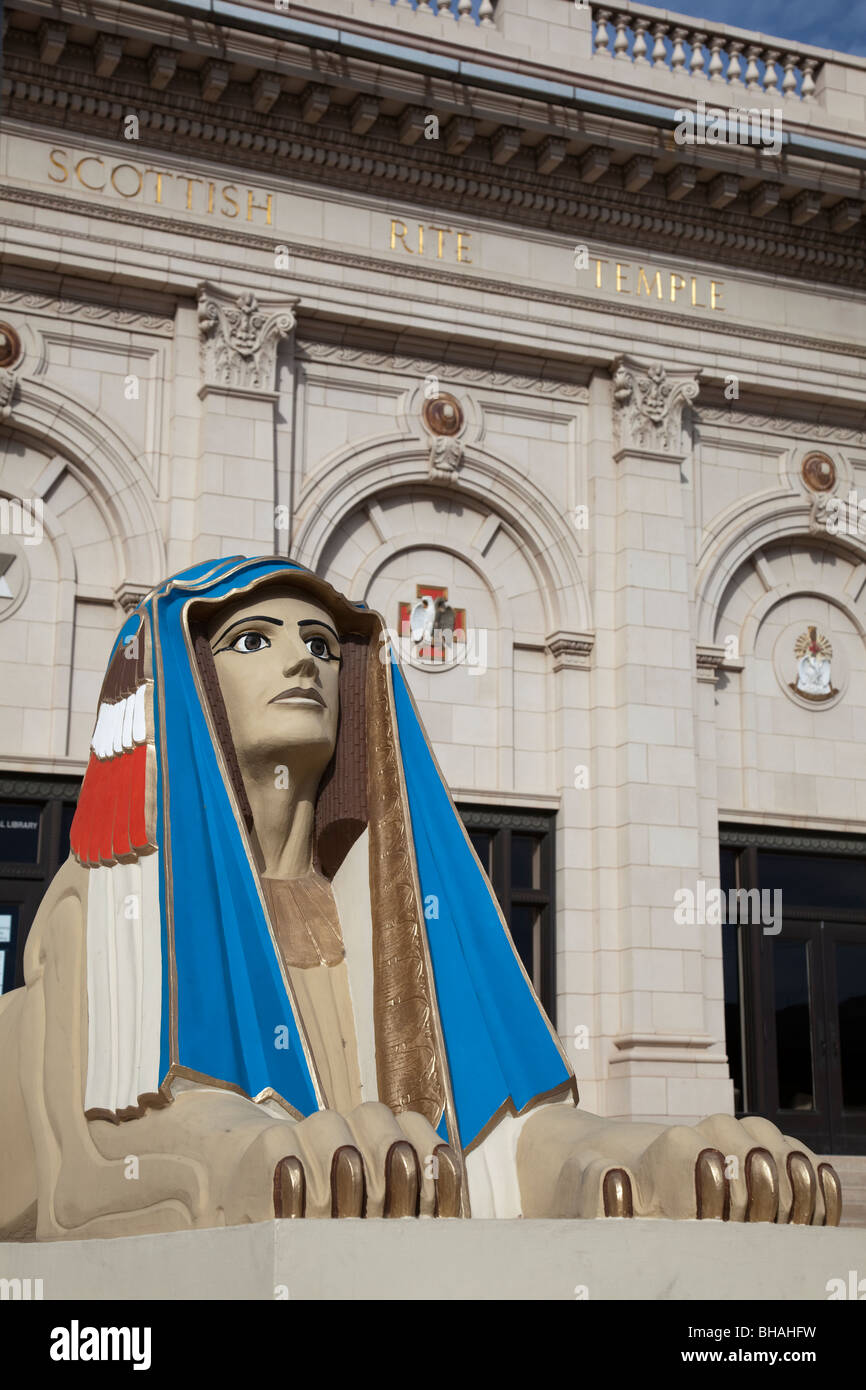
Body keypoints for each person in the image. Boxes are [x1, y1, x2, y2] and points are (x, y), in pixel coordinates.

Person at [0, 558, 840, 1237]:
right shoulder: (113, 902)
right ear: (189, 676)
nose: (302, 661)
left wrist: (646, 1158)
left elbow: (501, 1138)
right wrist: (261, 1160)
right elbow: (117, 1148)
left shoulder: (395, 911)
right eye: (252, 639)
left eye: (325, 647)